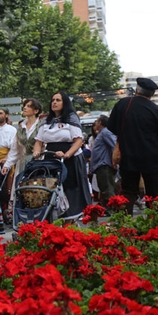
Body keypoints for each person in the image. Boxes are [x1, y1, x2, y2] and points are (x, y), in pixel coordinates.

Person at [108, 78, 158, 215]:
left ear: (137, 90)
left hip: (128, 155)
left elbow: (112, 127)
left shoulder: (123, 104)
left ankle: (126, 226)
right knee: (154, 194)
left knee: (128, 192)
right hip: (152, 157)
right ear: (151, 94)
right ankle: (156, 226)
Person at [33, 91, 92, 221]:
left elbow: (78, 141)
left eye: (58, 100)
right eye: (53, 100)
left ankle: (72, 217)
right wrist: (36, 152)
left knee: (70, 188)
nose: (54, 102)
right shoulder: (45, 120)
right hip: (51, 158)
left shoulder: (71, 118)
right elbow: (39, 141)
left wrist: (67, 155)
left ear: (65, 102)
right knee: (51, 187)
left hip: (70, 157)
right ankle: (51, 216)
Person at [89, 115, 116, 206]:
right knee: (104, 188)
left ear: (100, 123)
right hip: (100, 165)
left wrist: (114, 161)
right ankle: (107, 207)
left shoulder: (105, 132)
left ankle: (112, 209)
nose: (95, 123)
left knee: (107, 188)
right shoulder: (102, 133)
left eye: (97, 121)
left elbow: (114, 145)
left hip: (104, 165)